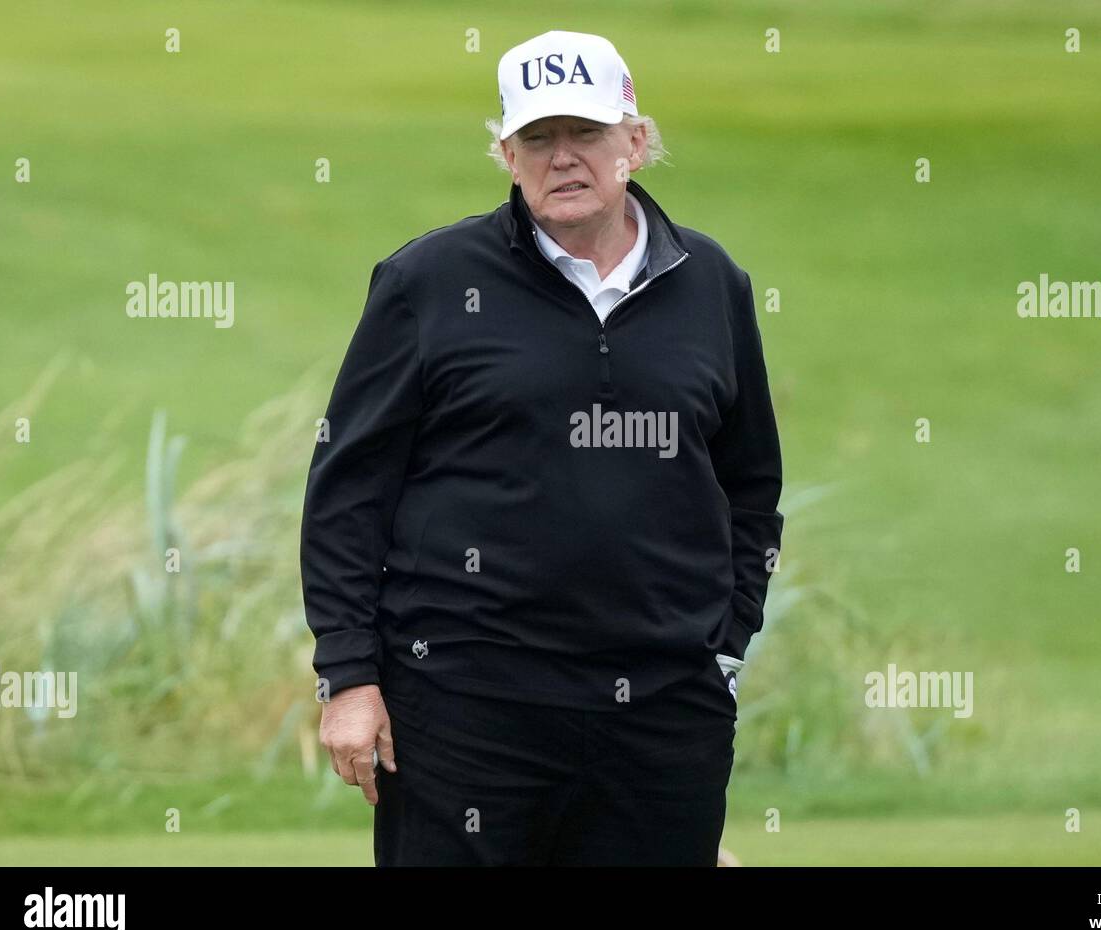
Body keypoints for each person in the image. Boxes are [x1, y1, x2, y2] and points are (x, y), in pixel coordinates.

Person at [299, 29, 784, 865]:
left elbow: (750, 486)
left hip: (663, 712)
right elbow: (348, 491)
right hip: (464, 705)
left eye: (585, 134)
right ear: (505, 153)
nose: (563, 158)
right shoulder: (430, 282)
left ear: (635, 141)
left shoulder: (712, 284)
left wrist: (726, 643)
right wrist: (350, 675)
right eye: (537, 138)